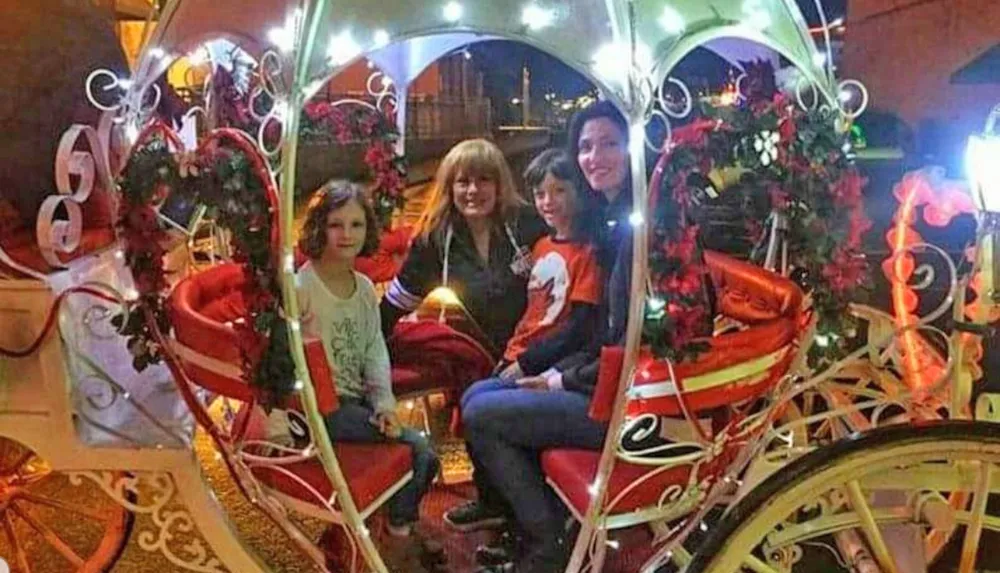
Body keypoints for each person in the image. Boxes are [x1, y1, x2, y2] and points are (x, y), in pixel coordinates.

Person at [461, 101, 636, 573]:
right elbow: (599, 331)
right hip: (594, 378)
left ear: (635, 146)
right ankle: (529, 522)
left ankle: (546, 544)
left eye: (609, 144)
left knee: (482, 414)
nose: (595, 156)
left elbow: (626, 341)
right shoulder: (612, 223)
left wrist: (558, 379)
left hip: (621, 402)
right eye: (585, 146)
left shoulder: (635, 233)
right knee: (477, 394)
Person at [445, 149, 603, 535]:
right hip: (521, 352)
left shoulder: (590, 252)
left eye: (559, 191)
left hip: (549, 363)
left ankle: (540, 530)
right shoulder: (540, 245)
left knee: (479, 409)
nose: (548, 202)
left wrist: (529, 363)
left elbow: (579, 326)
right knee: (471, 398)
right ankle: (501, 505)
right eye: (541, 194)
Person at [295, 180, 440, 538]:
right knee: (421, 451)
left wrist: (384, 405)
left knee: (424, 456)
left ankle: (387, 518)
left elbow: (375, 350)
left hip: (356, 404)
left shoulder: (361, 288)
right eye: (335, 225)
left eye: (356, 224)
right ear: (319, 228)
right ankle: (397, 527)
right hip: (319, 411)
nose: (347, 234)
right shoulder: (302, 288)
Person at [381, 139, 548, 358]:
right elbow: (394, 306)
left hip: (539, 351)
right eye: (463, 182)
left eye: (484, 180)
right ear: (450, 189)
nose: (473, 190)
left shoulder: (529, 223)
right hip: (481, 357)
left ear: (499, 185)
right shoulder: (434, 240)